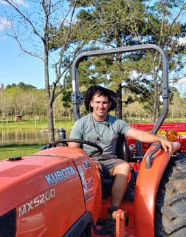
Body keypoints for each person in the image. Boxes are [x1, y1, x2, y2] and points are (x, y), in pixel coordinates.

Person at [68, 85, 172, 219]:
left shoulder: (116, 123)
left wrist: (159, 139)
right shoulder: (81, 124)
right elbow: (73, 151)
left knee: (124, 167)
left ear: (109, 104)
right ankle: (89, 212)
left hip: (110, 161)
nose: (101, 106)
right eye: (98, 102)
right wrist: (89, 161)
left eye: (104, 102)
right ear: (91, 103)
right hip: (87, 161)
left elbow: (138, 135)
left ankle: (114, 209)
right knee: (92, 171)